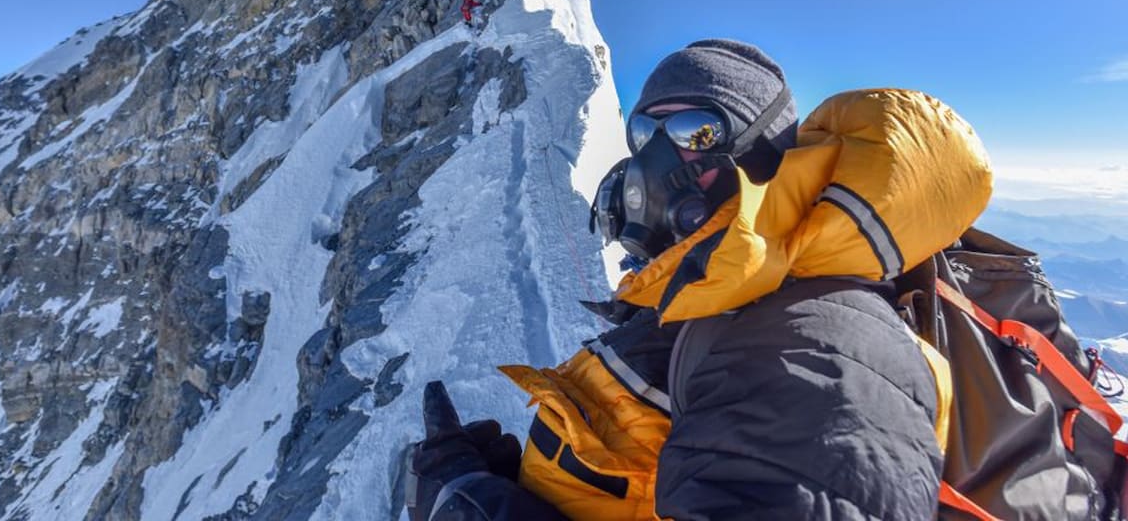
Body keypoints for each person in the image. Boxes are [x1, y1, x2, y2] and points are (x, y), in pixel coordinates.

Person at [407, 39, 993, 520]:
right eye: (647, 133)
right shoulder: (706, 299)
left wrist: (468, 505)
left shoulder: (818, 350)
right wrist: (524, 489)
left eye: (697, 132)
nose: (660, 160)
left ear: (760, 158)